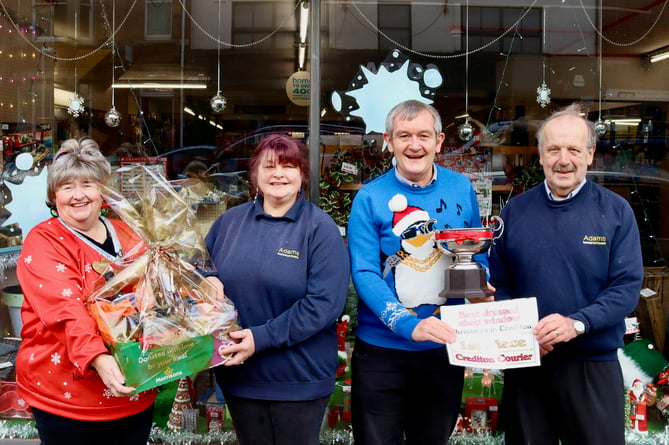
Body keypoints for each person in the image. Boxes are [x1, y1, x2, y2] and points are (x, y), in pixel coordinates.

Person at [489, 103, 644, 445]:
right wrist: (521, 332)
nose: (563, 159)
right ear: (541, 155)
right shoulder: (516, 211)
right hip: (528, 365)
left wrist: (575, 324)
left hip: (592, 364)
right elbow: (499, 284)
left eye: (573, 149)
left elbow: (625, 288)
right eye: (554, 149)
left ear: (589, 154)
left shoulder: (615, 211)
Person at [347, 99, 490, 445]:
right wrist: (410, 325)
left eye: (424, 136)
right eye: (404, 135)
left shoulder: (461, 188)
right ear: (389, 141)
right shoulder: (369, 198)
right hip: (381, 353)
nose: (414, 145)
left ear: (439, 141)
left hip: (443, 351)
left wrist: (480, 282)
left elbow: (476, 250)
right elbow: (365, 273)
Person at [205, 134, 350, 445]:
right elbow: (199, 267)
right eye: (269, 166)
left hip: (298, 380)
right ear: (255, 174)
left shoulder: (320, 229)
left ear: (302, 176)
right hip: (241, 377)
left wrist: (261, 338)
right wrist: (208, 276)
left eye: (289, 166)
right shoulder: (229, 223)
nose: (278, 174)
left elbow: (324, 304)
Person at [16, 137, 156, 445]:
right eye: (67, 187)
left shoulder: (128, 232)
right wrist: (98, 357)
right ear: (54, 196)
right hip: (68, 397)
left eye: (88, 184)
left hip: (135, 388)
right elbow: (65, 309)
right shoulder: (43, 241)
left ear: (102, 189)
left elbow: (154, 292)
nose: (78, 195)